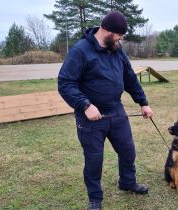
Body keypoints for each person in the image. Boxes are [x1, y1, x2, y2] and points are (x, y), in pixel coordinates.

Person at [58, 10, 153, 210]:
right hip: (90, 116)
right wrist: (85, 105)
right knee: (94, 160)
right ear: (107, 30)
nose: (120, 39)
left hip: (116, 110)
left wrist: (143, 102)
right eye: (119, 35)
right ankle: (95, 199)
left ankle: (127, 182)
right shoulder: (80, 50)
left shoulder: (116, 49)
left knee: (128, 150)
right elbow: (65, 83)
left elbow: (129, 78)